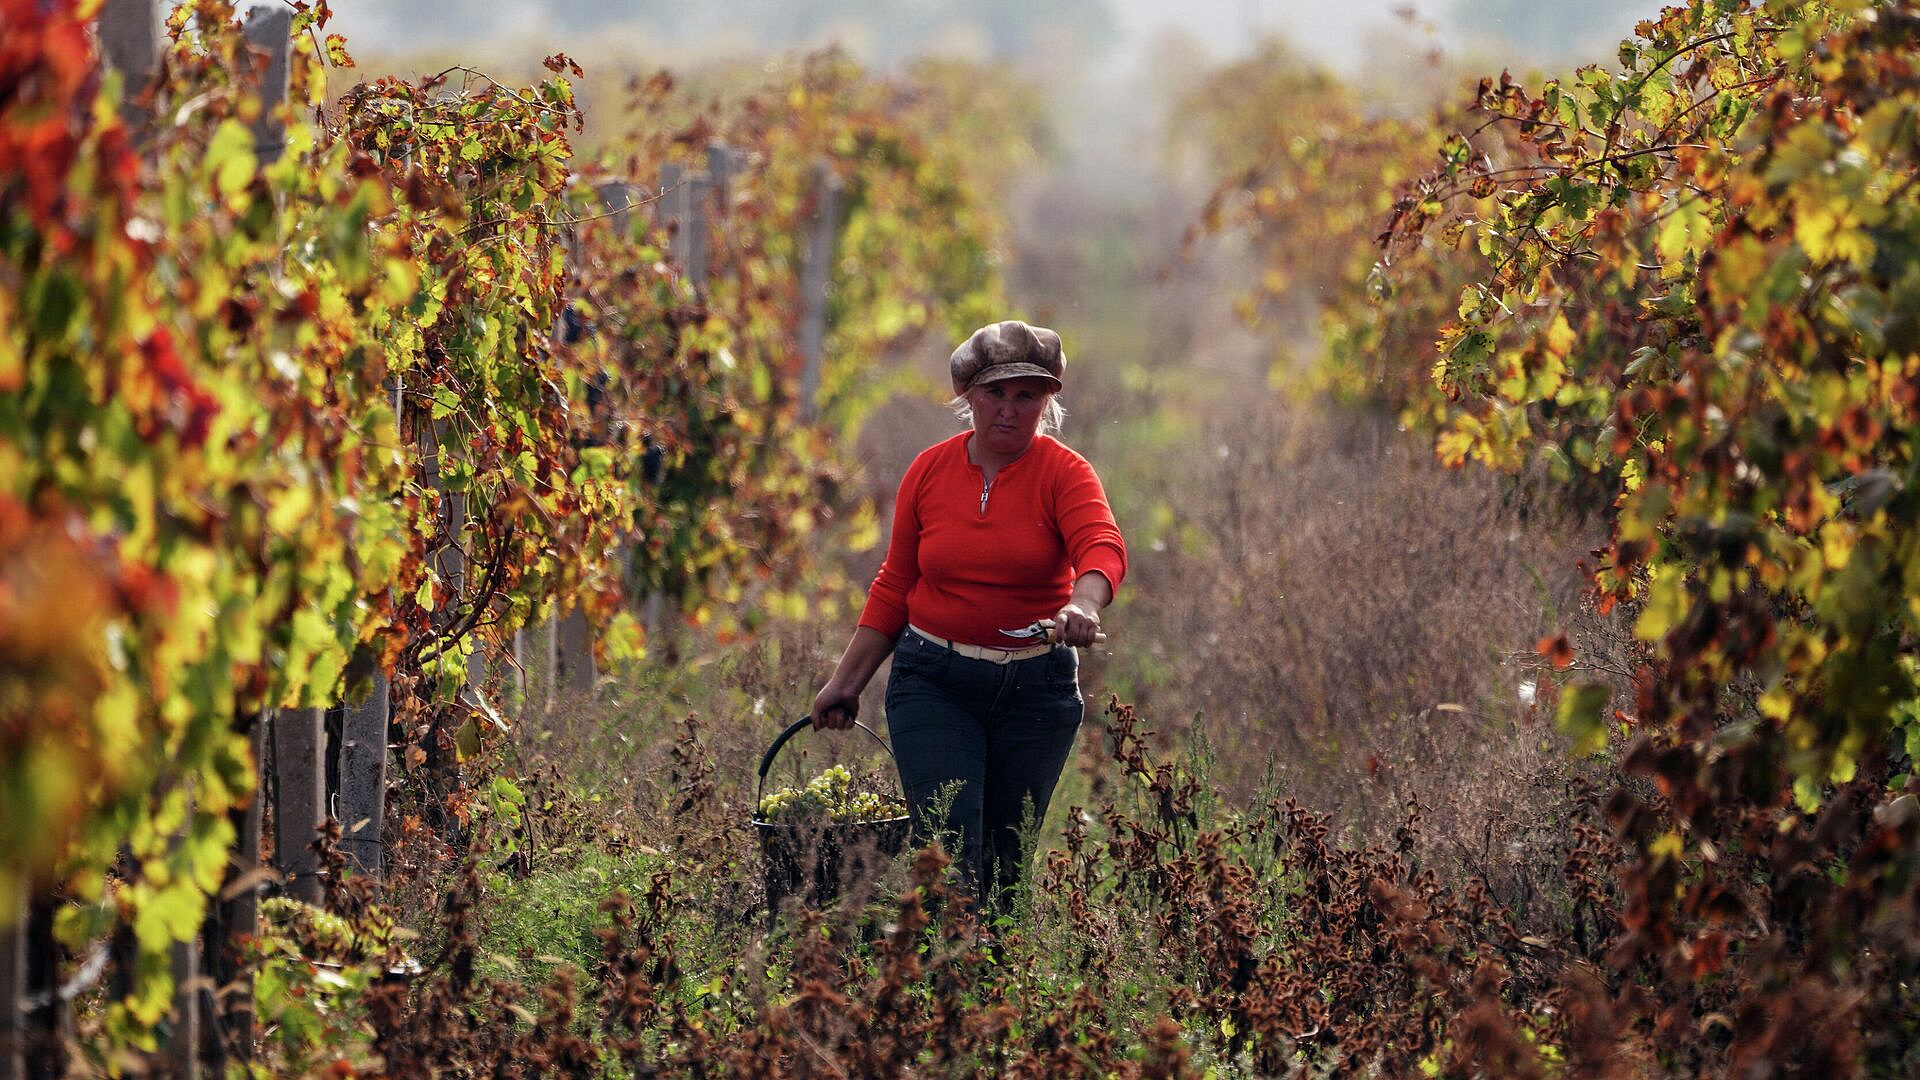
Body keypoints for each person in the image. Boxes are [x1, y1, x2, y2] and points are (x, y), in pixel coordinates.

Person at [810, 320, 1127, 910]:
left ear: (1047, 401)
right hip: (934, 683)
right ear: (968, 398)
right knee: (948, 858)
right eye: (994, 394)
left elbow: (1101, 545)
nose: (1008, 410)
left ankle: (996, 996)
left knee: (1006, 873)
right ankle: (941, 990)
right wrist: (845, 683)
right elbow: (895, 584)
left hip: (1037, 692)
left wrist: (1083, 603)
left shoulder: (1065, 473)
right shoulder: (929, 472)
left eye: (1025, 396)